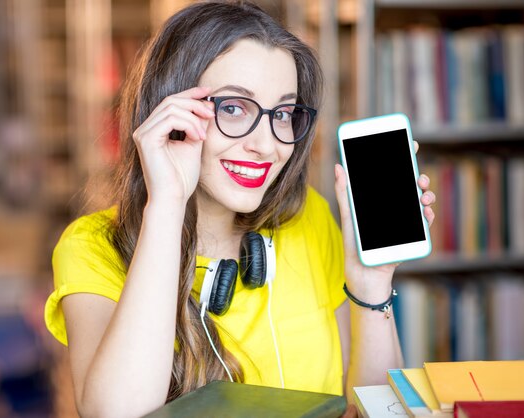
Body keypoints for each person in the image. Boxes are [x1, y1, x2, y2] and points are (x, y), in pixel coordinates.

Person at [44, 2, 436, 417]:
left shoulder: (309, 220)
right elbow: (115, 412)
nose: (267, 145)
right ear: (172, 111)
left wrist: (370, 285)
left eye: (283, 113)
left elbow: (374, 410)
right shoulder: (92, 247)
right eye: (233, 107)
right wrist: (168, 203)